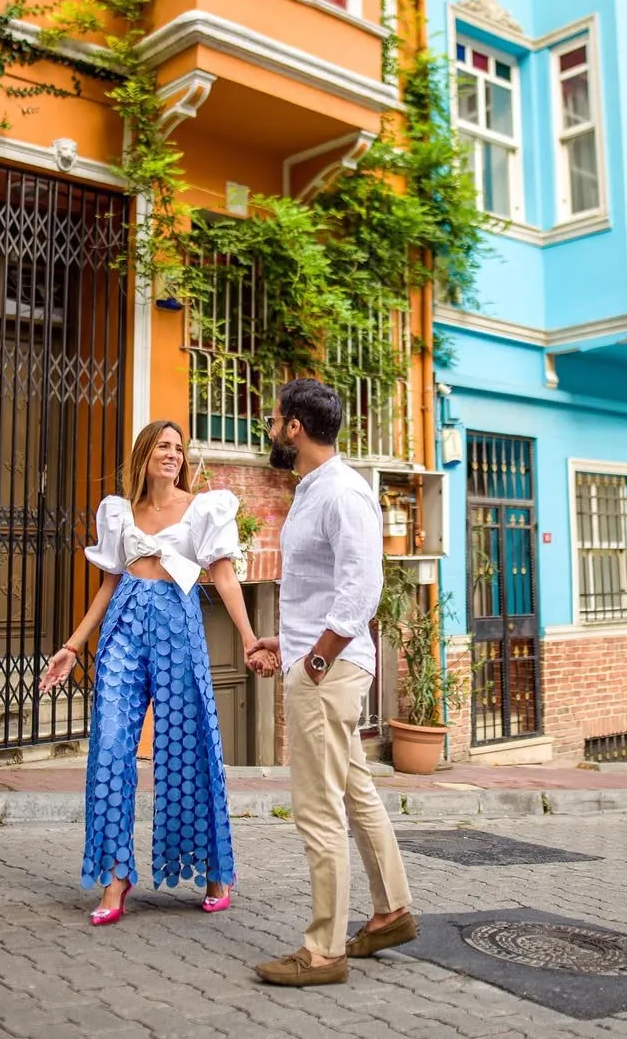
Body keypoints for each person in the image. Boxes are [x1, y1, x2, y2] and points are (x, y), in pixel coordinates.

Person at [39, 419, 276, 926]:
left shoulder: (203, 508)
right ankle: (115, 876)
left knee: (189, 747)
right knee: (108, 746)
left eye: (179, 448)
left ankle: (216, 869)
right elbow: (108, 585)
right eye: (163, 446)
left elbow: (226, 579)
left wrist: (250, 637)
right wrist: (73, 646)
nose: (172, 454)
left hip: (177, 626)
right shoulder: (119, 512)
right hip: (123, 626)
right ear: (144, 454)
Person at [249, 379, 416, 986]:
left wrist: (315, 660)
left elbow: (360, 589)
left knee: (318, 809)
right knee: (354, 791)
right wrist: (287, 643)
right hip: (321, 659)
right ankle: (391, 911)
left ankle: (323, 952)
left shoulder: (343, 492)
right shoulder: (316, 489)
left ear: (295, 426)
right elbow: (322, 590)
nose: (269, 430)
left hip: (328, 671)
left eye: (274, 420)